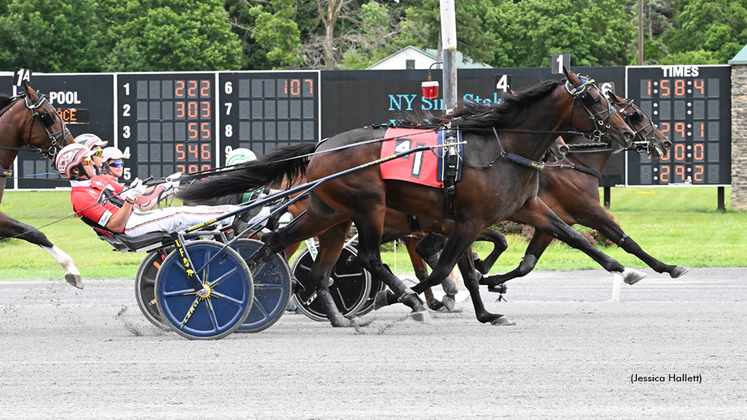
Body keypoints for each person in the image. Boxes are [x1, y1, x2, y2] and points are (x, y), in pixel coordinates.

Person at [55, 143, 259, 238]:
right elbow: (116, 226)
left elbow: (143, 200)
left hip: (136, 218)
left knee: (178, 213)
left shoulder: (98, 181)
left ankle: (230, 220)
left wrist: (166, 186)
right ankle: (235, 216)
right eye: (87, 161)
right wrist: (130, 200)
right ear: (75, 170)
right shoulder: (80, 198)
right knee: (179, 213)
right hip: (131, 228)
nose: (92, 163)